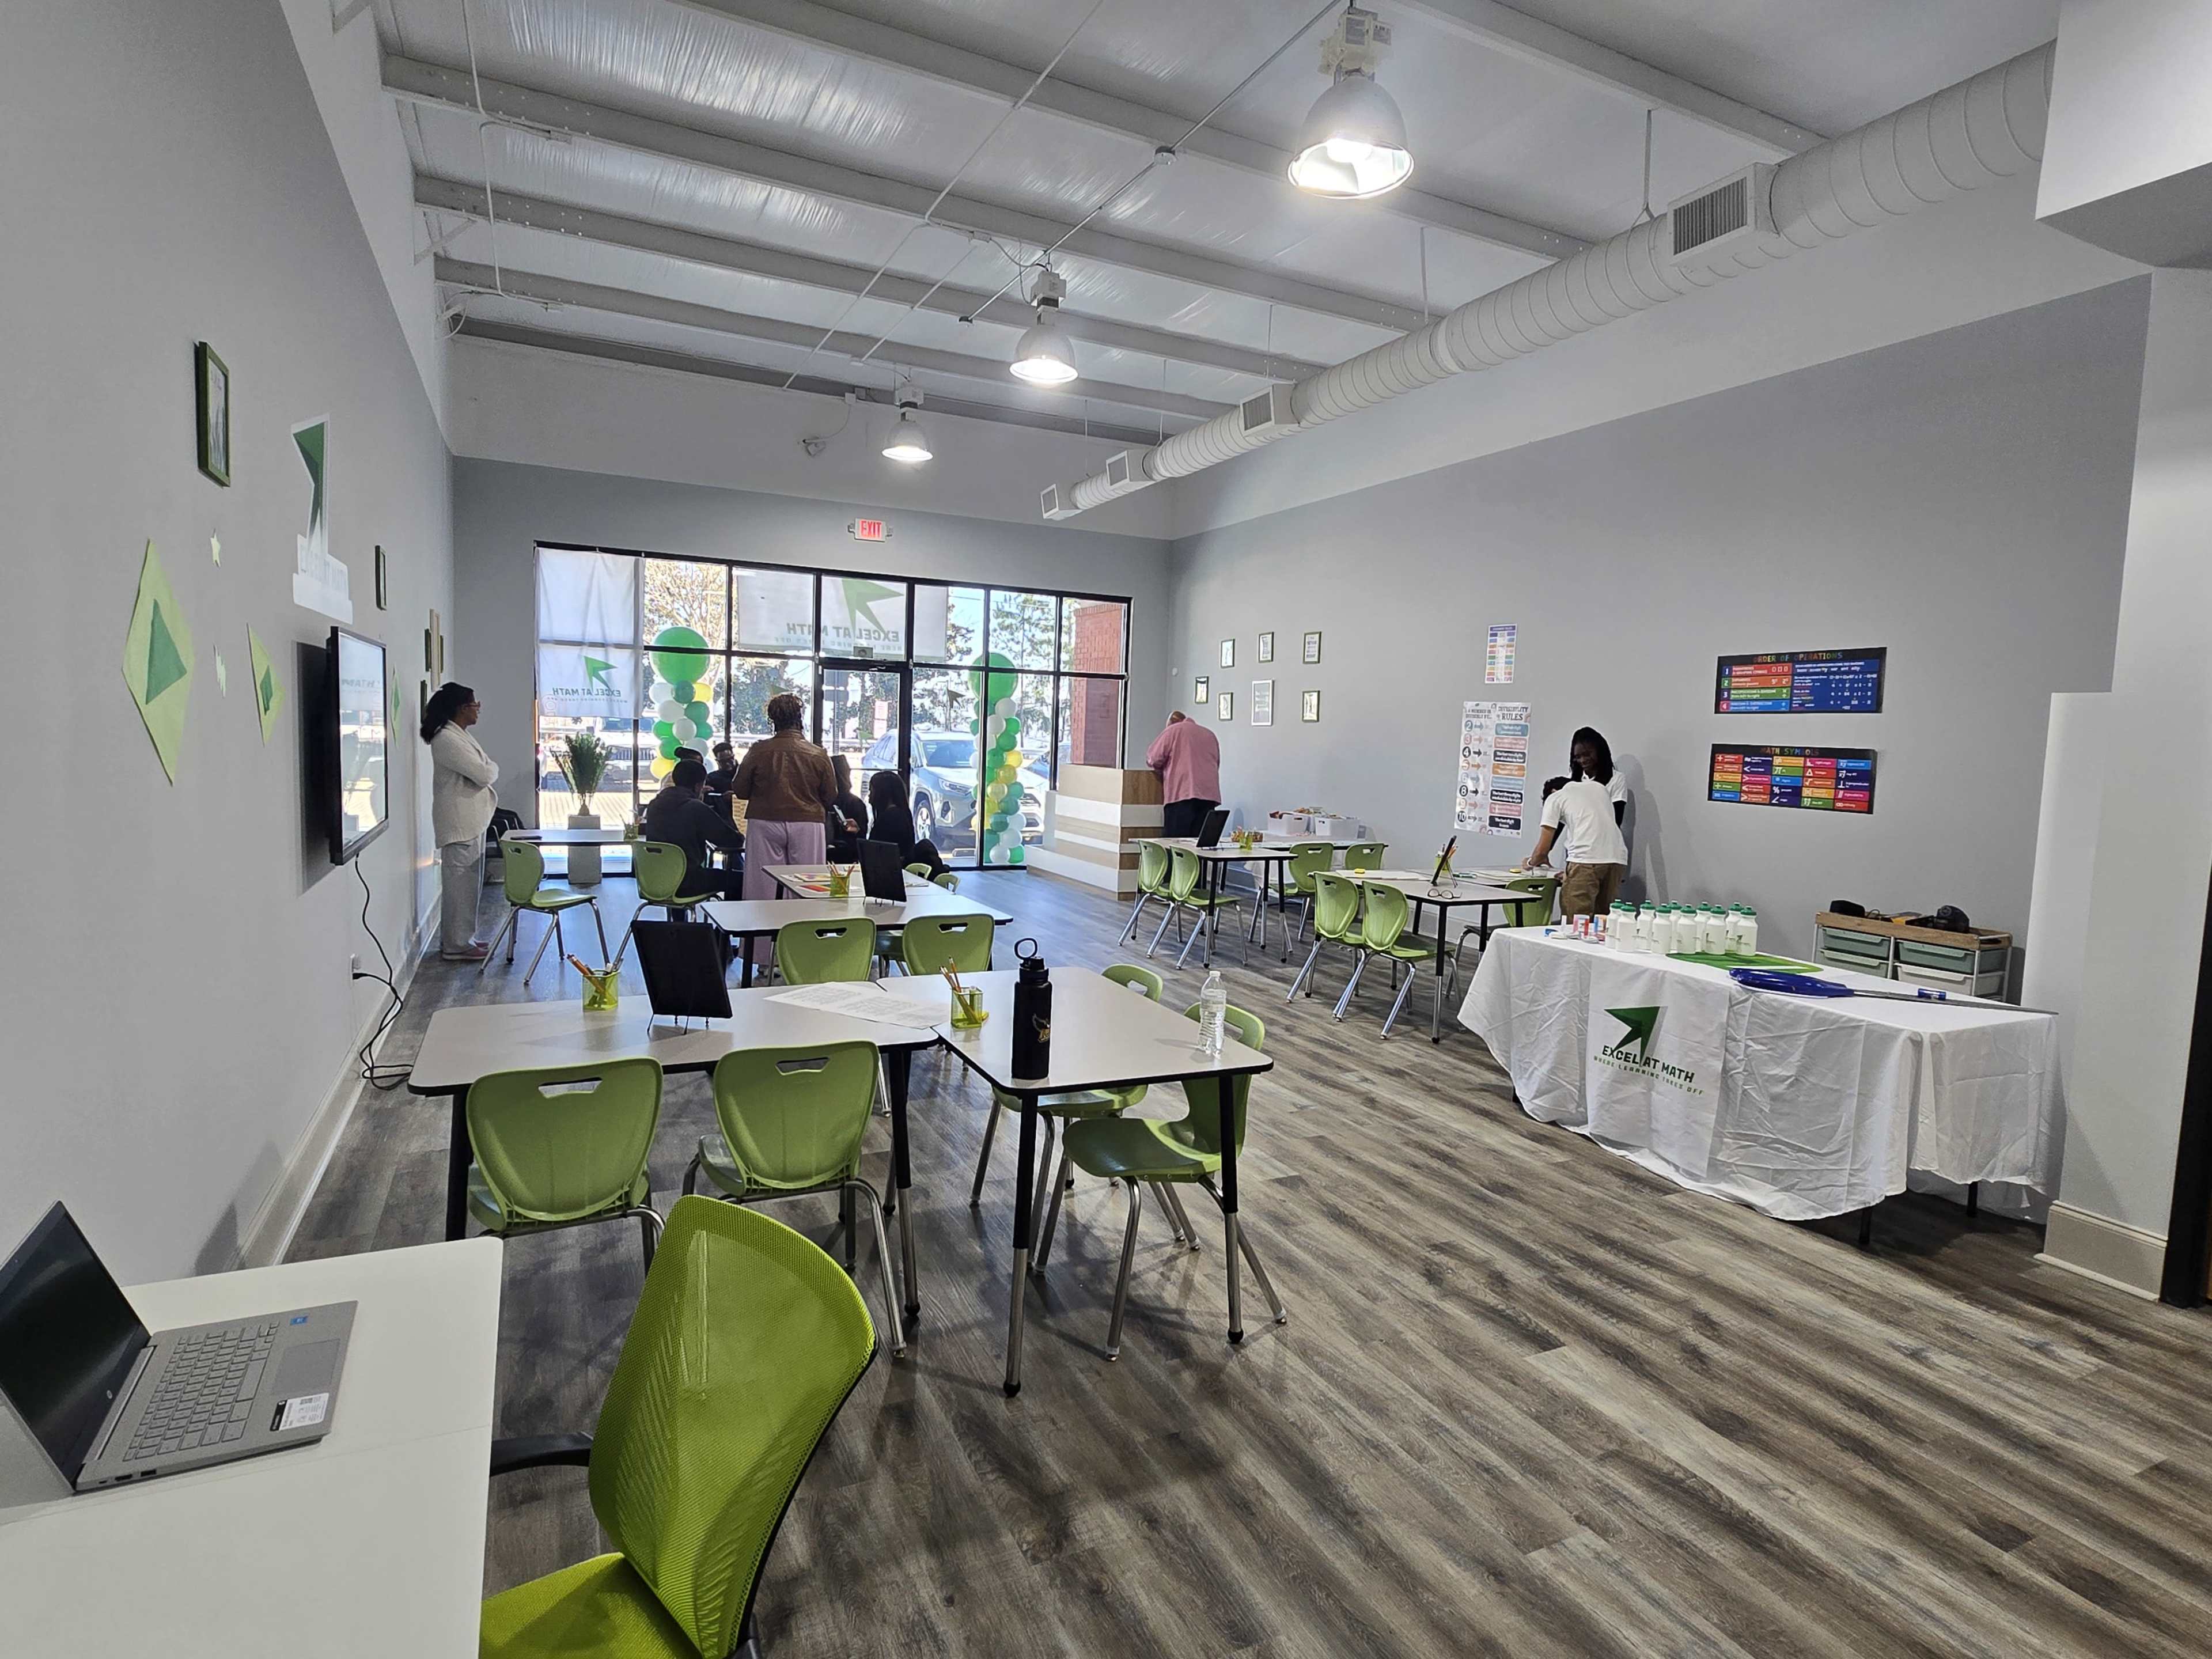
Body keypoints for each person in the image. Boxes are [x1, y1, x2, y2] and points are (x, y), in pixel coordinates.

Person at [732, 694, 841, 959]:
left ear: (772, 719)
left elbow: (740, 789)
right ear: (800, 719)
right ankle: (803, 955)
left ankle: (762, 958)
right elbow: (831, 795)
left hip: (764, 821)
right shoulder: (818, 754)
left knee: (762, 889)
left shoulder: (759, 750)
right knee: (808, 889)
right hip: (808, 822)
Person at [423, 682, 498, 961]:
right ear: (461, 708)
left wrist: (490, 768)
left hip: (471, 821)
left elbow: (486, 768)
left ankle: (464, 939)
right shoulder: (446, 739)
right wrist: (491, 769)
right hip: (459, 823)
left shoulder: (459, 734)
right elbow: (485, 773)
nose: (478, 709)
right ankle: (455, 945)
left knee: (468, 887)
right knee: (458, 887)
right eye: (474, 705)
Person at [1520, 728, 1628, 918]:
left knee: (1576, 923)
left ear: (1552, 792)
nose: (1582, 760)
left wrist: (1531, 862)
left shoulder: (1556, 798)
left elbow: (1541, 851)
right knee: (1603, 923)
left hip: (1585, 858)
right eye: (1578, 756)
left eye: (1587, 754)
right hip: (1616, 858)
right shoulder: (1597, 789)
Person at [642, 758, 746, 900]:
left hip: (655, 880)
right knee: (741, 880)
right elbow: (732, 841)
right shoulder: (695, 808)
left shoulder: (654, 805)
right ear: (698, 786)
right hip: (687, 882)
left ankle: (677, 919)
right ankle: (731, 921)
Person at [1146, 710, 1221, 840]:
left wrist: (1162, 769)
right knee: (1200, 847)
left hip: (1181, 797)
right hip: (1209, 798)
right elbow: (1216, 764)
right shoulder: (1210, 735)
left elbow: (1153, 758)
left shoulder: (1173, 731)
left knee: (1176, 846)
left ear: (1171, 724)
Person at [868, 769, 949, 878]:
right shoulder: (902, 813)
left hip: (891, 876)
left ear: (882, 793)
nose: (869, 797)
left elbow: (877, 853)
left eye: (872, 791)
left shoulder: (891, 818)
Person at [826, 754, 868, 861]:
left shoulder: (824, 802)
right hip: (848, 857)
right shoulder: (857, 803)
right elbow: (862, 837)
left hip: (836, 855)